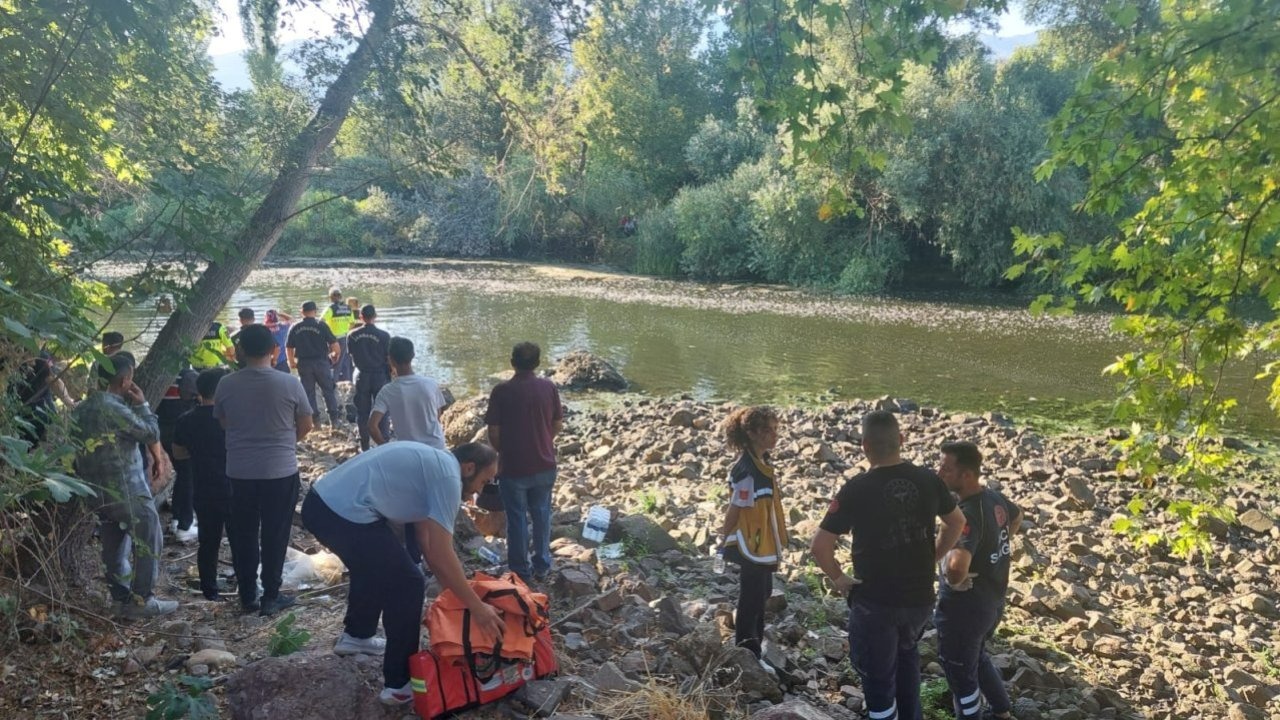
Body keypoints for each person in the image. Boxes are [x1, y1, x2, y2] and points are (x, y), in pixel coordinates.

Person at [301, 442, 505, 706]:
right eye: (484, 482)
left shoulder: (436, 466)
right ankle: (399, 685)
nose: (480, 492)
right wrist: (477, 607)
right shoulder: (448, 479)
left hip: (324, 505)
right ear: (468, 468)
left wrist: (451, 593)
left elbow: (427, 543)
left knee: (378, 565)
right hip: (336, 512)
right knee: (408, 583)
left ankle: (357, 636)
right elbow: (443, 551)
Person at [811, 410, 966, 720]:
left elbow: (820, 547)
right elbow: (956, 523)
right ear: (902, 440)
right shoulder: (928, 480)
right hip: (918, 600)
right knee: (907, 664)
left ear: (865, 445)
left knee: (879, 684)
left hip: (875, 603)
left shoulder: (856, 488)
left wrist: (839, 578)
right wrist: (932, 556)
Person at [214, 324, 314, 615]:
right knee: (276, 532)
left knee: (243, 534)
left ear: (240, 351)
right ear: (274, 350)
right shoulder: (290, 383)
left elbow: (222, 422)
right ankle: (271, 594)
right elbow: (306, 424)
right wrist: (283, 442)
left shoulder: (226, 384)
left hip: (240, 472)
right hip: (280, 471)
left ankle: (247, 595)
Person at [71, 353, 178, 618]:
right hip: (127, 488)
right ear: (126, 379)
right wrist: (142, 405)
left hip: (96, 491)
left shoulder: (80, 409)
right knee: (150, 538)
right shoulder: (114, 408)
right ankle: (143, 600)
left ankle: (120, 599)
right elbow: (150, 433)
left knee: (114, 545)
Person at [934, 441, 1022, 720]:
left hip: (966, 609)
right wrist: (994, 548)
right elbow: (1017, 515)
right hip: (993, 600)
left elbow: (957, 565)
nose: (939, 473)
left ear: (967, 475)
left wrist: (953, 580)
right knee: (977, 654)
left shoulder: (968, 515)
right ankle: (1001, 711)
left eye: (946, 469)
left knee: (960, 672)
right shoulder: (993, 497)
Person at [485, 342, 563, 583]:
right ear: (538, 363)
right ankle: (542, 564)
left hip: (513, 467)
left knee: (516, 518)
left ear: (512, 362)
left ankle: (520, 570)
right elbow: (557, 424)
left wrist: (506, 451)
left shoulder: (501, 391)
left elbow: (494, 433)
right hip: (545, 464)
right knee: (541, 514)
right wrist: (542, 441)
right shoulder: (548, 388)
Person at [718, 406, 787, 659]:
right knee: (752, 596)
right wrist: (724, 540)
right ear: (752, 433)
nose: (774, 435)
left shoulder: (763, 462)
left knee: (764, 591)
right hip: (751, 543)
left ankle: (752, 641)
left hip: (763, 542)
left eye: (775, 429)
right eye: (767, 430)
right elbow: (734, 509)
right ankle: (747, 648)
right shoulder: (747, 470)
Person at [172, 369, 238, 601]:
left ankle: (210, 591)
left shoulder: (186, 419)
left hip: (203, 486)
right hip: (234, 486)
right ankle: (246, 587)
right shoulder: (232, 418)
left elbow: (179, 454)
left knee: (208, 542)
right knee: (241, 539)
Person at [368, 337, 447, 449]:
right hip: (436, 447)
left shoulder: (387, 391)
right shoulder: (431, 384)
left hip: (409, 450)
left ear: (391, 360)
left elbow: (372, 426)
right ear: (413, 356)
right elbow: (437, 416)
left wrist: (385, 447)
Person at [286, 301, 341, 426]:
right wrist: (334, 355)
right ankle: (334, 420)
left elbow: (289, 347)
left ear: (302, 312)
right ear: (315, 311)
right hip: (321, 362)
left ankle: (315, 421)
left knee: (309, 392)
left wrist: (291, 362)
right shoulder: (321, 325)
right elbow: (335, 346)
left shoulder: (295, 326)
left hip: (304, 364)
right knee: (328, 390)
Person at [348, 305, 391, 451]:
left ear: (361, 316)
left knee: (363, 410)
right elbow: (388, 358)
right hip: (379, 375)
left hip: (362, 374)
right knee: (382, 409)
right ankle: (383, 440)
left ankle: (364, 444)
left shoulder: (352, 335)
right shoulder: (384, 336)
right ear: (375, 316)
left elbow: (352, 356)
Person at [321, 287, 355, 383]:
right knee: (341, 362)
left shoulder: (330, 309)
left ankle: (331, 383)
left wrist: (326, 334)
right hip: (344, 338)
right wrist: (347, 331)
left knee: (331, 361)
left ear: (330, 297)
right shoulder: (348, 308)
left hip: (332, 339)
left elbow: (321, 322)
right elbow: (352, 323)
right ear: (341, 296)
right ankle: (341, 381)